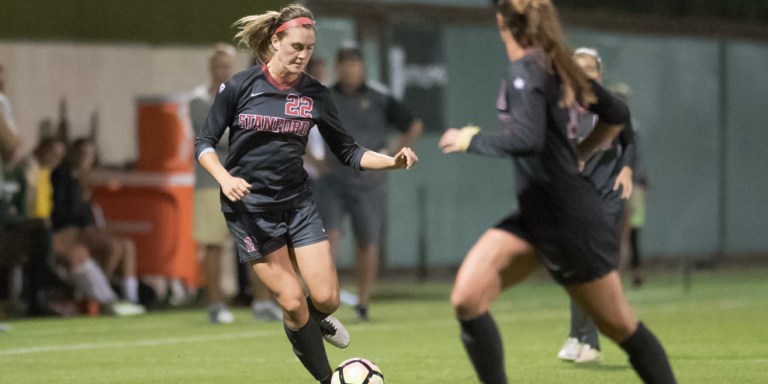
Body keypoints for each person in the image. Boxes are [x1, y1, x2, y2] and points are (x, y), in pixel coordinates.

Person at [438, 1, 675, 383]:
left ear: (502, 21)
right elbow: (616, 113)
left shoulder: (530, 69)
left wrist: (472, 140)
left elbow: (527, 139)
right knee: (467, 299)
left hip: (569, 223)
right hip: (536, 216)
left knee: (622, 329)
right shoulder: (553, 64)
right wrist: (577, 153)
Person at [194, 4, 418, 383]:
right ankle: (328, 378)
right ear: (275, 40)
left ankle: (316, 322)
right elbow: (204, 143)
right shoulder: (239, 86)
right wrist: (224, 178)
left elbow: (348, 151)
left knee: (327, 299)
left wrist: (392, 162)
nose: (303, 55)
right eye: (296, 46)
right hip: (250, 210)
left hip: (297, 206)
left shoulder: (315, 94)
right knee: (293, 302)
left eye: (309, 48)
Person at [315, 46, 423, 321]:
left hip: (368, 182)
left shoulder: (380, 96)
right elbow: (299, 127)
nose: (349, 69)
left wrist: (396, 154)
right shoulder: (324, 95)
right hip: (333, 180)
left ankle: (362, 303)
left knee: (367, 242)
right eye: (344, 64)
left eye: (354, 64)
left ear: (362, 67)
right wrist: (312, 161)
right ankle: (323, 300)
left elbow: (413, 124)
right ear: (337, 67)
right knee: (328, 239)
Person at [189, 43, 282, 324]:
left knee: (256, 244)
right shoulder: (198, 101)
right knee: (214, 245)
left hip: (245, 181)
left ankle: (263, 303)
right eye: (220, 66)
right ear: (211, 67)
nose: (224, 71)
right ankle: (215, 303)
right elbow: (214, 138)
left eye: (229, 66)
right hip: (211, 182)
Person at [556, 47, 636, 364]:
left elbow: (629, 140)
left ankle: (592, 343)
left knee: (593, 267)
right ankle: (577, 335)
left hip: (607, 196)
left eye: (589, 68)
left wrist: (627, 168)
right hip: (575, 197)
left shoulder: (612, 107)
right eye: (577, 68)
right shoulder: (562, 110)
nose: (583, 73)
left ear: (599, 74)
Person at [51, 138, 145, 315]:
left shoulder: (84, 179)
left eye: (90, 155)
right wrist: (85, 225)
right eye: (82, 153)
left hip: (82, 230)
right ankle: (105, 296)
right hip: (69, 231)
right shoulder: (63, 177)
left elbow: (87, 211)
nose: (85, 158)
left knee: (127, 245)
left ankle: (130, 297)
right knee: (112, 247)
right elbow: (63, 212)